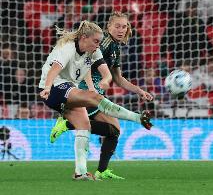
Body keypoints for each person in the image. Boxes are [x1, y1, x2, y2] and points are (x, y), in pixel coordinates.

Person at [39, 20, 152, 181]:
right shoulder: (68, 48)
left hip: (69, 88)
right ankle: (137, 117)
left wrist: (103, 81)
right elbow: (54, 69)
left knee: (84, 126)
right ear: (84, 38)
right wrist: (48, 87)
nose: (98, 45)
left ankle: (81, 172)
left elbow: (101, 70)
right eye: (96, 41)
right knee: (95, 99)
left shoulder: (93, 50)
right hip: (53, 88)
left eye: (99, 42)